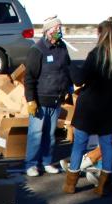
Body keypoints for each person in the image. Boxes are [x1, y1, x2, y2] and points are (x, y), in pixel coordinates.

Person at [63, 17, 112, 196]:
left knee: (80, 144)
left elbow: (79, 79)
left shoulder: (96, 55)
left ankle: (71, 184)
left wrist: (70, 66)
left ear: (99, 34)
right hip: (109, 108)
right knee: (107, 145)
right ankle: (103, 185)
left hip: (89, 108)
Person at [23, 16, 71, 177]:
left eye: (60, 27)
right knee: (36, 134)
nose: (59, 31)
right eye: (56, 28)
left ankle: (46, 161)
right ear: (47, 31)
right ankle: (31, 163)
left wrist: (68, 87)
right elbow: (29, 77)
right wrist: (31, 100)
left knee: (50, 135)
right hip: (40, 100)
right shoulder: (37, 50)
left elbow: (67, 68)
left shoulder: (62, 47)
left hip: (56, 99)